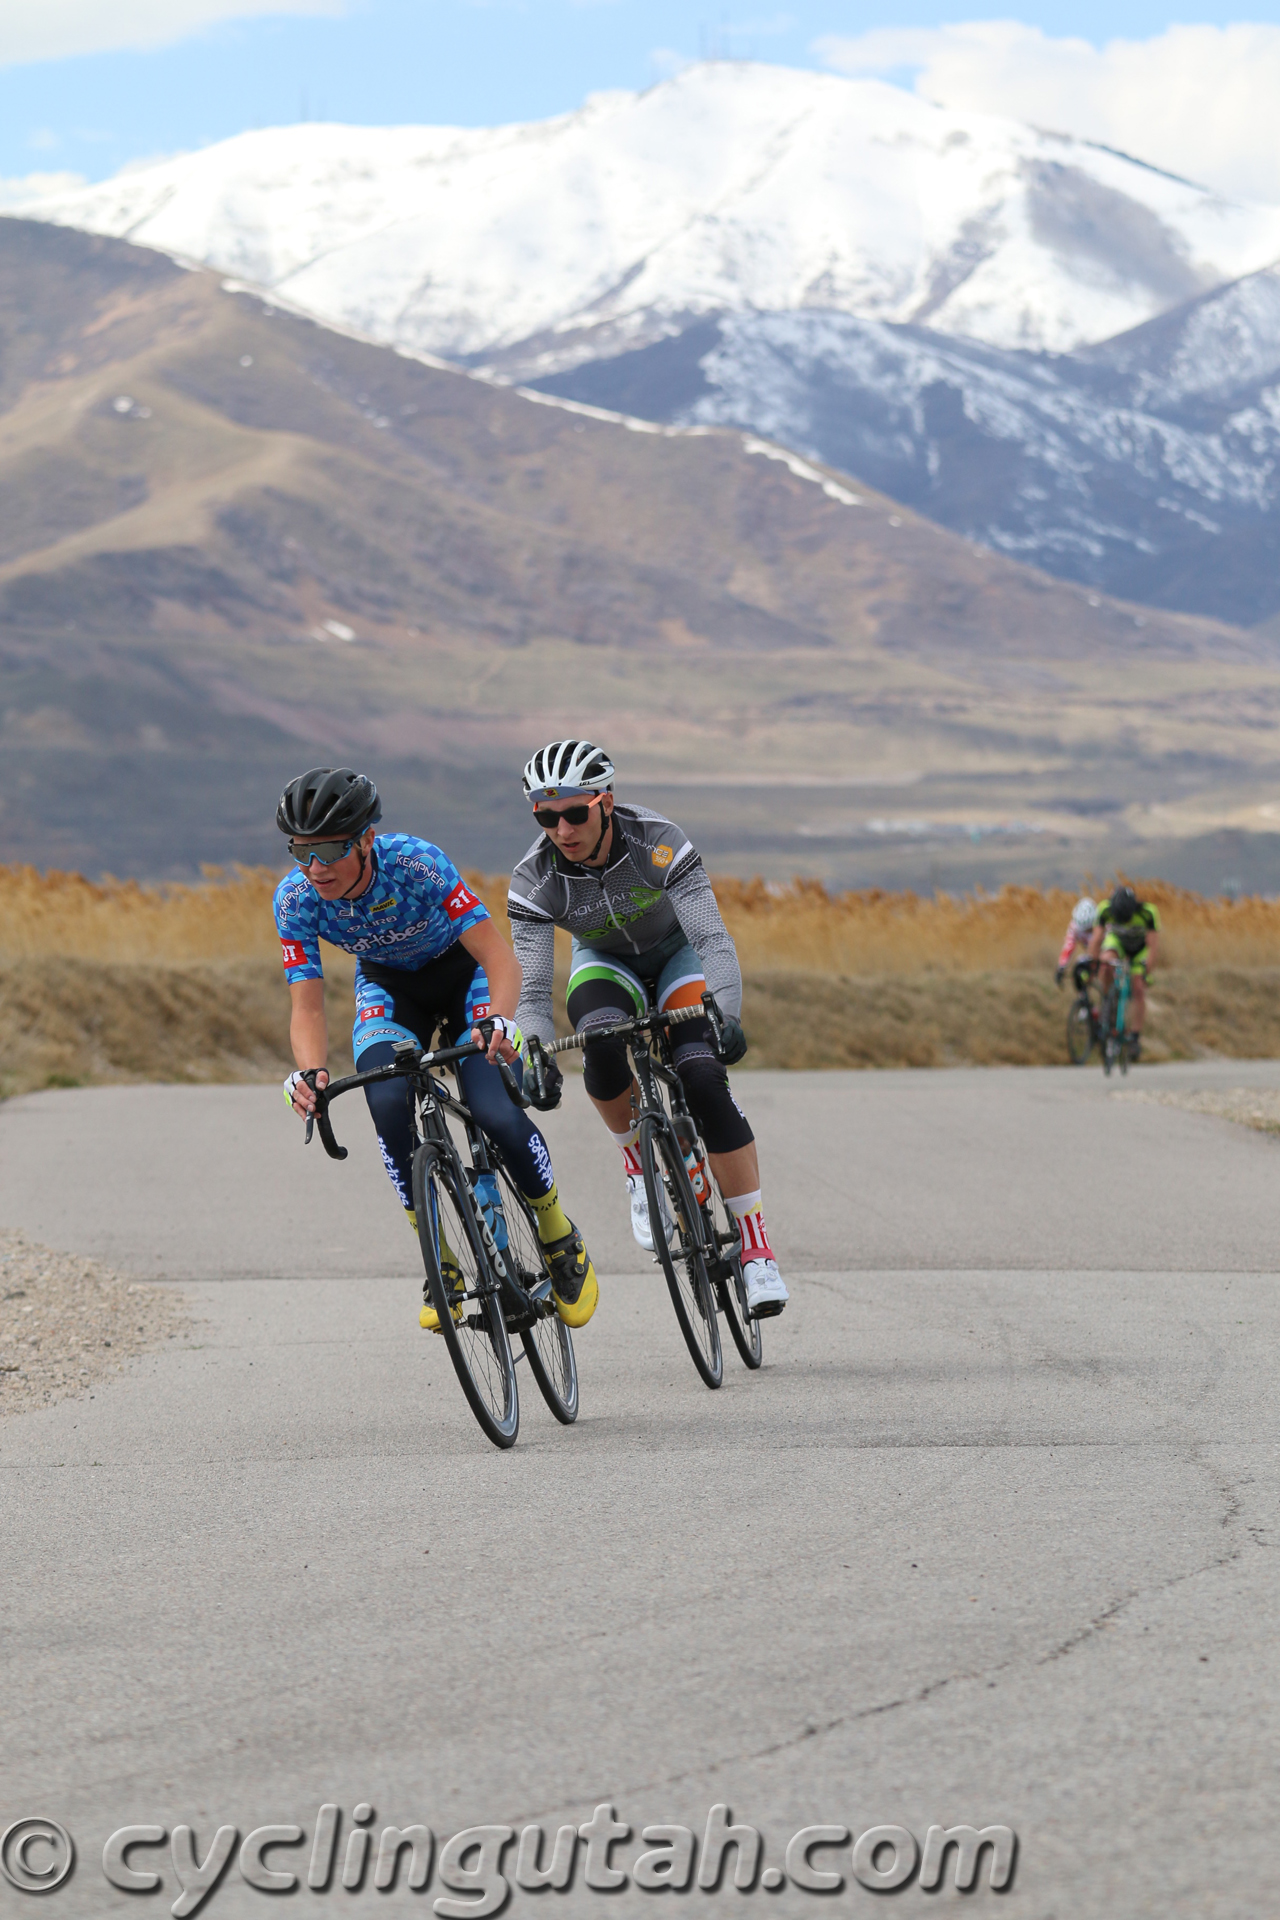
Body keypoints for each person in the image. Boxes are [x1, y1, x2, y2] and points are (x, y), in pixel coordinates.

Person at [273, 766, 598, 1328]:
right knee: (387, 1105)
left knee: (494, 1110)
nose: (315, 866)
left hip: (462, 975)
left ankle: (557, 1234)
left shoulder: (415, 863)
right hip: (390, 989)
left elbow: (498, 957)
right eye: (301, 851)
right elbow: (307, 1005)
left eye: (328, 849)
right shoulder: (295, 898)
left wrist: (502, 1020)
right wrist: (310, 1074)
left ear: (366, 839)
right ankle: (441, 1261)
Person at [506, 740, 788, 1319]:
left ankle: (756, 1249)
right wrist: (531, 1053)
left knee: (704, 1077)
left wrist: (727, 1013)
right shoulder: (533, 880)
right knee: (601, 1041)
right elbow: (532, 991)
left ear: (605, 803)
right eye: (545, 815)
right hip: (605, 964)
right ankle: (638, 1162)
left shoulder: (657, 842)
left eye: (575, 812)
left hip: (679, 956)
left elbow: (711, 938)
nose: (561, 828)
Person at [1088, 884, 1160, 1060]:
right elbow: (1097, 939)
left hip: (1139, 949)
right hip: (1117, 943)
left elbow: (1153, 947)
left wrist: (1145, 972)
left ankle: (1135, 1037)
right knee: (1105, 964)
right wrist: (1092, 965)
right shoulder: (1105, 909)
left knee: (1138, 989)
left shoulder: (1148, 912)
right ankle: (1107, 1000)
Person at [1056, 896, 1097, 985]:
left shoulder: (1104, 925)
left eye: (1089, 929)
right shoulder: (1074, 927)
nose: (1086, 932)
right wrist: (1061, 967)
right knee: (1079, 967)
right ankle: (1083, 995)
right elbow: (1068, 947)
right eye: (1083, 930)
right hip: (1090, 955)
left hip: (1102, 954)